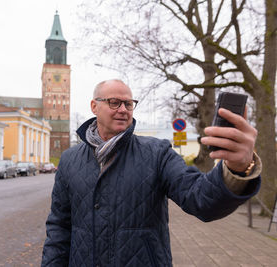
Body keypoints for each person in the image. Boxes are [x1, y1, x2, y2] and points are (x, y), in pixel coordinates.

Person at [41, 79, 261, 267]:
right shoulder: (70, 159)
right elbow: (59, 226)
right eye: (114, 102)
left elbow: (199, 198)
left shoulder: (157, 153)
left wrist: (236, 168)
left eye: (128, 103)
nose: (123, 109)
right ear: (94, 106)